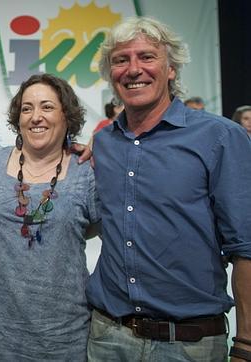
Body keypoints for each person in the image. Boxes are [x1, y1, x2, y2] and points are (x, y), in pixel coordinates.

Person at [87, 16, 251, 362]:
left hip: (189, 345)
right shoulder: (103, 143)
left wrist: (246, 343)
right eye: (121, 60)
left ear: (171, 68)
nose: (133, 69)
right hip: (107, 337)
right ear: (110, 73)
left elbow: (246, 247)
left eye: (147, 57)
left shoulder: (220, 138)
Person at [0, 73, 100, 361]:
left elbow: (99, 231)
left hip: (62, 337)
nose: (36, 116)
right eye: (27, 108)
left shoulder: (86, 171)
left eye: (47, 107)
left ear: (67, 115)